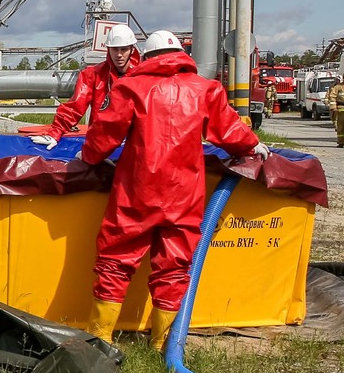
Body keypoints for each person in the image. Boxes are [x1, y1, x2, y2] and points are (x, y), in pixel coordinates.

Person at [79, 31, 264, 349]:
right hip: (184, 194)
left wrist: (89, 157)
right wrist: (254, 145)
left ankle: (100, 338)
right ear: (181, 55)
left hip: (136, 191)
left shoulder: (130, 86)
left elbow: (104, 135)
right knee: (175, 265)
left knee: (116, 259)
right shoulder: (206, 89)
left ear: (145, 57)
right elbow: (230, 130)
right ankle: (163, 344)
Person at [27, 25, 139, 147]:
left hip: (135, 145)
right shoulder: (93, 75)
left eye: (123, 49)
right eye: (115, 49)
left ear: (132, 49)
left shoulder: (143, 75)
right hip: (101, 145)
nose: (119, 54)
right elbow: (75, 107)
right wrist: (54, 133)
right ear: (108, 49)